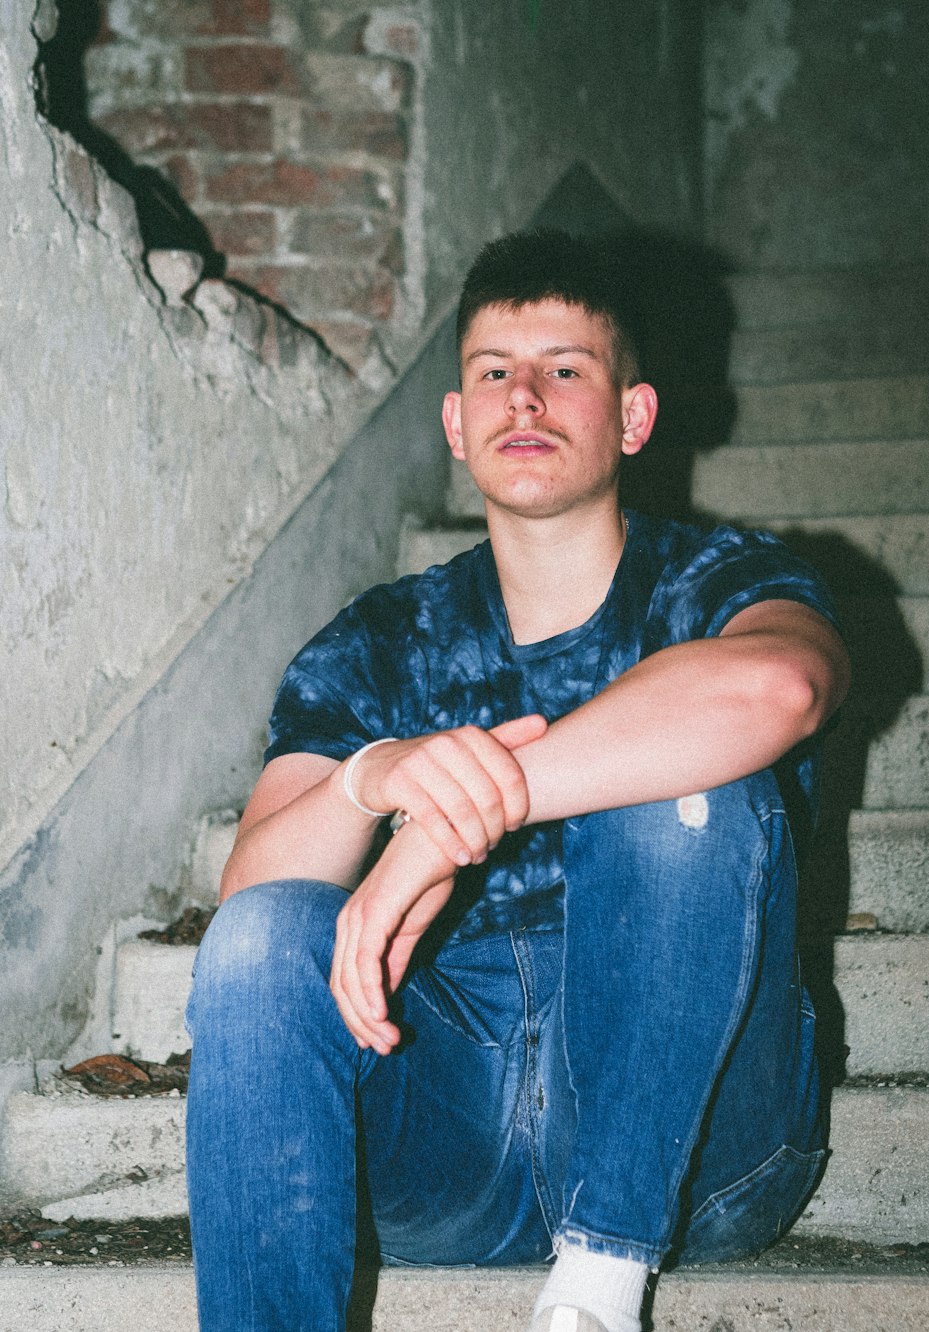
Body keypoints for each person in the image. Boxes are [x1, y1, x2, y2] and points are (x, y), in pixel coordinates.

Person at [185, 228, 851, 1332]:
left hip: (701, 1138)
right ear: (456, 422)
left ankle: (596, 1289)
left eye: (564, 370)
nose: (524, 400)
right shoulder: (382, 640)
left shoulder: (722, 579)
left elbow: (779, 686)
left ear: (632, 416)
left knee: (690, 788)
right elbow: (249, 895)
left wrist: (444, 830)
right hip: (449, 1116)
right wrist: (372, 781)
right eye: (493, 372)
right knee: (262, 941)